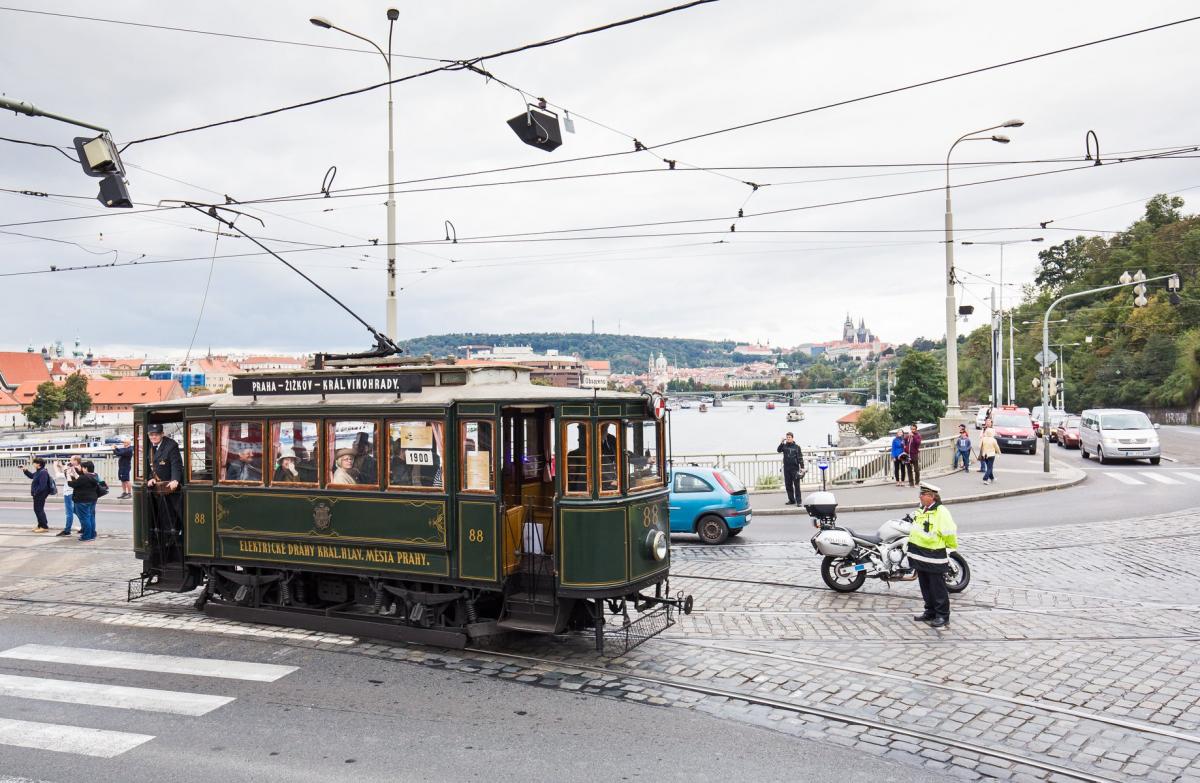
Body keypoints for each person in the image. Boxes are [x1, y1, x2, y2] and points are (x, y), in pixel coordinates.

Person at [908, 481, 958, 628]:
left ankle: (942, 615)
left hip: (934, 556)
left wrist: (949, 547)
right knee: (925, 585)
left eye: (923, 494)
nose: (920, 497)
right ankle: (930, 611)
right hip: (919, 554)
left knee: (937, 587)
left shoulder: (941, 512)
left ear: (932, 496)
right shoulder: (922, 510)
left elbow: (949, 532)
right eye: (921, 494)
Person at [146, 423, 184, 533]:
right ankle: (165, 539)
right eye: (151, 435)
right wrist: (150, 478)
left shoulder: (171, 445)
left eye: (156, 434)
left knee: (175, 514)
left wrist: (175, 480)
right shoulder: (149, 445)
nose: (153, 437)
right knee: (161, 516)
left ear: (162, 434)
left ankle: (178, 538)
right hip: (158, 487)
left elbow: (176, 464)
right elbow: (149, 465)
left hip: (170, 487)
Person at [67, 459, 100, 542]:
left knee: (85, 518)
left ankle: (86, 536)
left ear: (85, 468)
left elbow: (72, 484)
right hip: (92, 499)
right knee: (91, 517)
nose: (81, 469)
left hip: (82, 500)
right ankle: (92, 534)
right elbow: (81, 480)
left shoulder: (84, 477)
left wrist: (68, 475)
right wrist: (74, 473)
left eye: (82, 468)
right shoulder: (95, 475)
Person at [21, 456, 52, 532]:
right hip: (38, 494)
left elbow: (42, 486)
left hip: (40, 494)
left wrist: (35, 492)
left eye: (34, 463)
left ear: (39, 464)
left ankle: (44, 527)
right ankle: (40, 525)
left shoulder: (43, 472)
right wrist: (25, 470)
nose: (33, 464)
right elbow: (32, 476)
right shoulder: (39, 471)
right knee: (37, 509)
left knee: (39, 510)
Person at [52, 456, 82, 536]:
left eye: (71, 460)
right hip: (76, 492)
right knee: (76, 511)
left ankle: (67, 530)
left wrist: (55, 466)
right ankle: (84, 527)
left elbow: (59, 475)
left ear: (75, 461)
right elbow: (66, 474)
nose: (69, 461)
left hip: (69, 492)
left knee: (69, 513)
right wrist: (62, 467)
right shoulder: (80, 468)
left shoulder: (73, 469)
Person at [776, 432, 805, 505]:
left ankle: (799, 501)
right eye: (787, 437)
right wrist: (782, 442)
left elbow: (800, 458)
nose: (788, 438)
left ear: (792, 438)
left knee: (797, 485)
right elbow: (778, 450)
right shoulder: (784, 446)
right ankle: (791, 500)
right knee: (788, 485)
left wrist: (802, 467)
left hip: (795, 468)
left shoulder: (797, 447)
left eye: (789, 437)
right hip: (786, 468)